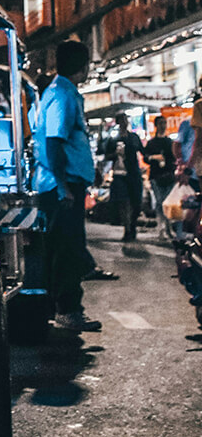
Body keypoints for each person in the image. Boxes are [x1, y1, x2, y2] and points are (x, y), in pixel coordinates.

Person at [32, 40, 103, 332]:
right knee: (68, 249)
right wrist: (63, 186)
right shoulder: (62, 95)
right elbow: (54, 142)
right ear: (82, 66)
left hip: (62, 183)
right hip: (61, 186)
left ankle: (56, 308)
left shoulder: (60, 91)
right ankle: (68, 311)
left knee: (63, 248)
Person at [103, 113, 145, 242]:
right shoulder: (113, 139)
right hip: (119, 174)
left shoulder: (133, 137)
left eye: (125, 120)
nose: (124, 122)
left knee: (135, 202)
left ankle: (132, 225)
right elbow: (106, 155)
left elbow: (143, 152)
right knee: (124, 202)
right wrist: (115, 153)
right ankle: (127, 229)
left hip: (133, 173)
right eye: (121, 120)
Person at [144, 115, 177, 240]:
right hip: (156, 177)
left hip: (169, 176)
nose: (163, 125)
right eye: (161, 123)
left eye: (165, 123)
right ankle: (161, 227)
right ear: (156, 125)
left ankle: (168, 227)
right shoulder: (151, 143)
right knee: (160, 202)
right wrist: (153, 157)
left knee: (168, 202)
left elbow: (175, 158)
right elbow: (145, 158)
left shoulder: (170, 142)